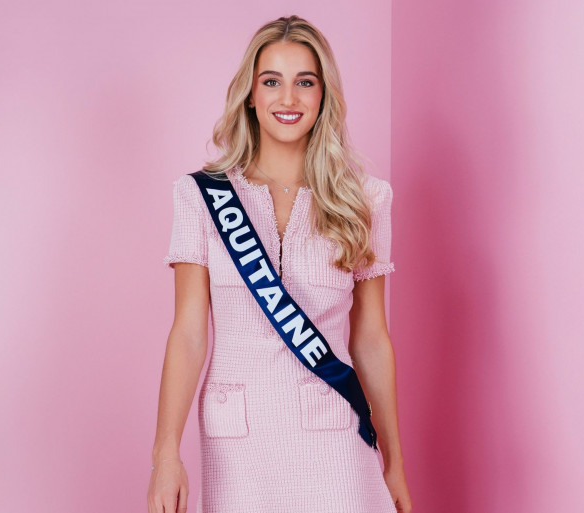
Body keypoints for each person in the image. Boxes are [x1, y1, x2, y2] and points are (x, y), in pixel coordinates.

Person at [147, 14, 412, 513]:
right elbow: (188, 332)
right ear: (250, 94)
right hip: (237, 438)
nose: (288, 99)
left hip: (334, 435)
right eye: (271, 81)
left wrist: (394, 461)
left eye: (304, 82)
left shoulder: (365, 200)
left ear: (323, 95)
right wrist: (165, 454)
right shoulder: (201, 197)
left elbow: (371, 337)